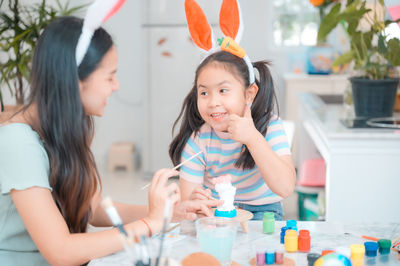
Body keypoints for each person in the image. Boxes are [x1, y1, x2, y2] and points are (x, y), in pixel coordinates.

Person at [0, 16, 218, 265]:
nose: (116, 86)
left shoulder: (66, 130)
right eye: (109, 76)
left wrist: (168, 213)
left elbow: (93, 209)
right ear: (74, 80)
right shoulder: (18, 143)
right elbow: (60, 251)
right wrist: (150, 223)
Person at [169, 50, 296, 221]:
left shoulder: (270, 127)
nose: (213, 102)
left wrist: (252, 138)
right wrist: (195, 203)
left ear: (249, 94)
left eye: (223, 90)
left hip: (264, 212)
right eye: (204, 93)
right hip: (216, 212)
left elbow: (285, 188)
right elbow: (190, 207)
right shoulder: (198, 141)